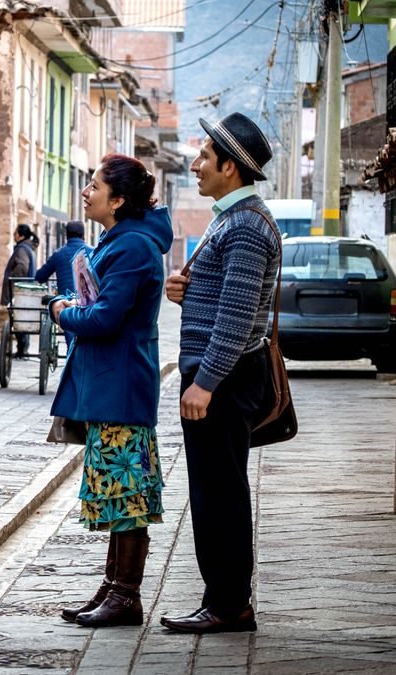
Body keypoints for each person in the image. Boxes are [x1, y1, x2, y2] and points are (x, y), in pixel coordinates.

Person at [159, 113, 280, 635]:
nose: (196, 165)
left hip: (225, 380)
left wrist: (204, 384)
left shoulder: (247, 224)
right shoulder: (228, 219)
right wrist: (185, 289)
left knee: (221, 494)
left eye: (205, 157)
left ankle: (229, 605)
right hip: (218, 376)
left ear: (230, 167)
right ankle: (223, 599)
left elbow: (235, 318)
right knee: (211, 492)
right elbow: (225, 295)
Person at [48, 154, 172, 628]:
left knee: (128, 493)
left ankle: (126, 595)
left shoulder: (134, 247)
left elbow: (103, 318)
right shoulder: (121, 241)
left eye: (94, 186)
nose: (86, 192)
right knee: (119, 490)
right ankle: (113, 587)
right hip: (111, 384)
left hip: (121, 385)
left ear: (118, 199)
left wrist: (61, 312)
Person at [34, 220, 92, 352]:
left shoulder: (58, 254)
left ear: (66, 235)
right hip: (87, 302)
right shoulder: (92, 252)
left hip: (65, 303)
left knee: (71, 340)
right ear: (83, 235)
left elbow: (40, 277)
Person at [0, 223, 39, 357]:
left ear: (21, 235)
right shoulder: (29, 248)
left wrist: (13, 278)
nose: (14, 236)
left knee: (19, 318)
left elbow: (22, 266)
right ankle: (23, 348)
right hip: (25, 288)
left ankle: (22, 348)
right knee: (24, 317)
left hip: (20, 289)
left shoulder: (22, 249)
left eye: (16, 233)